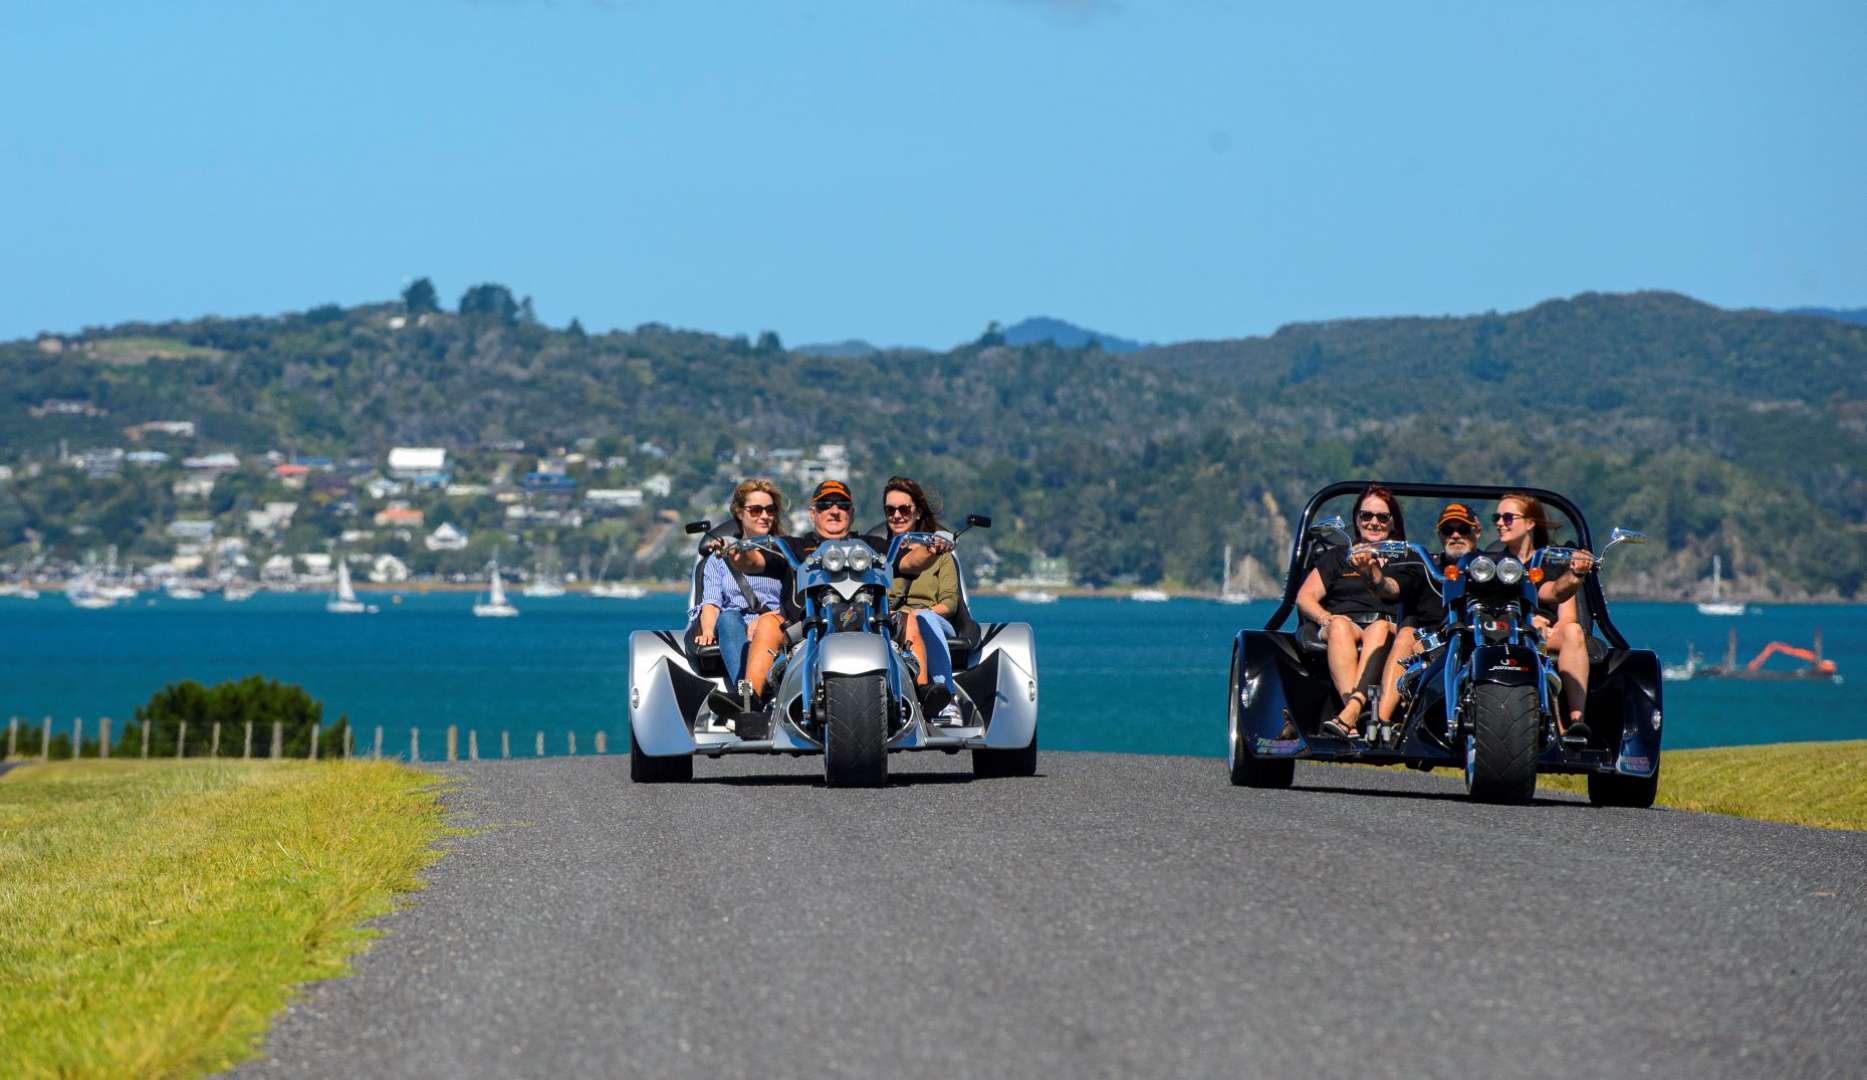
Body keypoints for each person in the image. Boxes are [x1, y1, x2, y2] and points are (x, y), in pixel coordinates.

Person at [1295, 484, 1418, 738]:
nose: (1373, 522)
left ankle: (1349, 714)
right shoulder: (1337, 557)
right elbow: (1305, 597)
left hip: (1388, 627)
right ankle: (1352, 711)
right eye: (1366, 516)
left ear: (1393, 522)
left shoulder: (1407, 558)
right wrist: (1323, 617)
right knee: (1338, 625)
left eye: (1382, 517)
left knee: (1379, 627)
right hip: (1344, 623)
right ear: (1356, 519)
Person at [1492, 491, 1597, 739]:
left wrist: (1575, 575)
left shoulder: (1552, 561)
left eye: (1508, 517)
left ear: (1530, 523)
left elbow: (1557, 598)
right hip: (1506, 634)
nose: (1499, 523)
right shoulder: (1492, 564)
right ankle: (1553, 726)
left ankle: (1576, 720)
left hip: (1546, 633)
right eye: (1497, 517)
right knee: (1531, 637)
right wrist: (1525, 622)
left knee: (1572, 631)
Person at [1373, 502, 1480, 730]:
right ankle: (1380, 721)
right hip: (1430, 643)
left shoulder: (1492, 566)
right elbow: (1391, 588)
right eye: (1448, 530)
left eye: (1463, 529)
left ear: (1476, 531)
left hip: (1477, 639)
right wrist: (1372, 574)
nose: (1455, 535)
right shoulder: (1424, 565)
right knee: (1405, 636)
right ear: (1439, 535)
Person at [690, 479, 790, 715]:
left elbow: (794, 602)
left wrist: (767, 620)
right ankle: (744, 699)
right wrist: (706, 631)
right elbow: (712, 603)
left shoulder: (787, 553)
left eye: (770, 510)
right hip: (734, 627)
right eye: (756, 510)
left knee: (768, 625)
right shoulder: (719, 558)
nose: (764, 516)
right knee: (728, 616)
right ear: (739, 512)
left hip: (777, 626)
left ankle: (752, 700)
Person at [879, 476, 960, 712]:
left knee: (921, 619)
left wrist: (918, 613)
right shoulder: (878, 555)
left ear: (917, 512)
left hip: (933, 619)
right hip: (892, 619)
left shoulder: (939, 554)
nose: (897, 515)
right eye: (890, 510)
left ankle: (946, 698)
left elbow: (949, 603)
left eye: (904, 509)